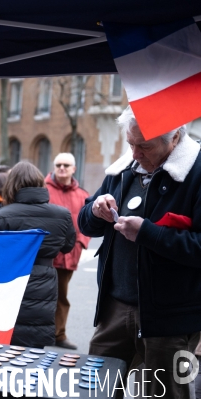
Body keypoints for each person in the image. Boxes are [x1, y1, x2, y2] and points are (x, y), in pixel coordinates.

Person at [78, 105, 201, 399]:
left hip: (170, 317)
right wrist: (95, 211)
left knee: (165, 394)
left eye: (144, 146)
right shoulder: (122, 169)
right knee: (95, 390)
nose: (135, 154)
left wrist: (148, 234)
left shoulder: (196, 173)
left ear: (175, 139)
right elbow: (86, 223)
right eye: (131, 143)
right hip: (115, 308)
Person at [0, 161, 75, 348]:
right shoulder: (62, 215)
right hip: (46, 280)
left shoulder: (0, 216)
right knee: (37, 335)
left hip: (11, 280)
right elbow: (67, 247)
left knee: (8, 337)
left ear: (12, 185)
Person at [44, 152, 90, 350]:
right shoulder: (43, 190)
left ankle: (59, 335)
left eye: (66, 165)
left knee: (61, 296)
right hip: (45, 254)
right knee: (40, 295)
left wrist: (80, 244)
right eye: (58, 164)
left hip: (69, 255)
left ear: (74, 169)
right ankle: (41, 334)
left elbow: (87, 224)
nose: (62, 168)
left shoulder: (83, 195)